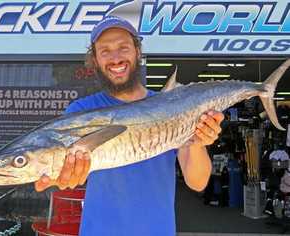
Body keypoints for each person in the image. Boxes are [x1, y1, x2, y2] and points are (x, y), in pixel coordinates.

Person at [35, 15, 224, 236]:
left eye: (123, 48)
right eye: (105, 50)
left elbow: (198, 182)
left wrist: (198, 142)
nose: (115, 58)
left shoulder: (172, 106)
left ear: (137, 52)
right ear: (94, 60)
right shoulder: (80, 111)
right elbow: (74, 173)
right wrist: (66, 177)